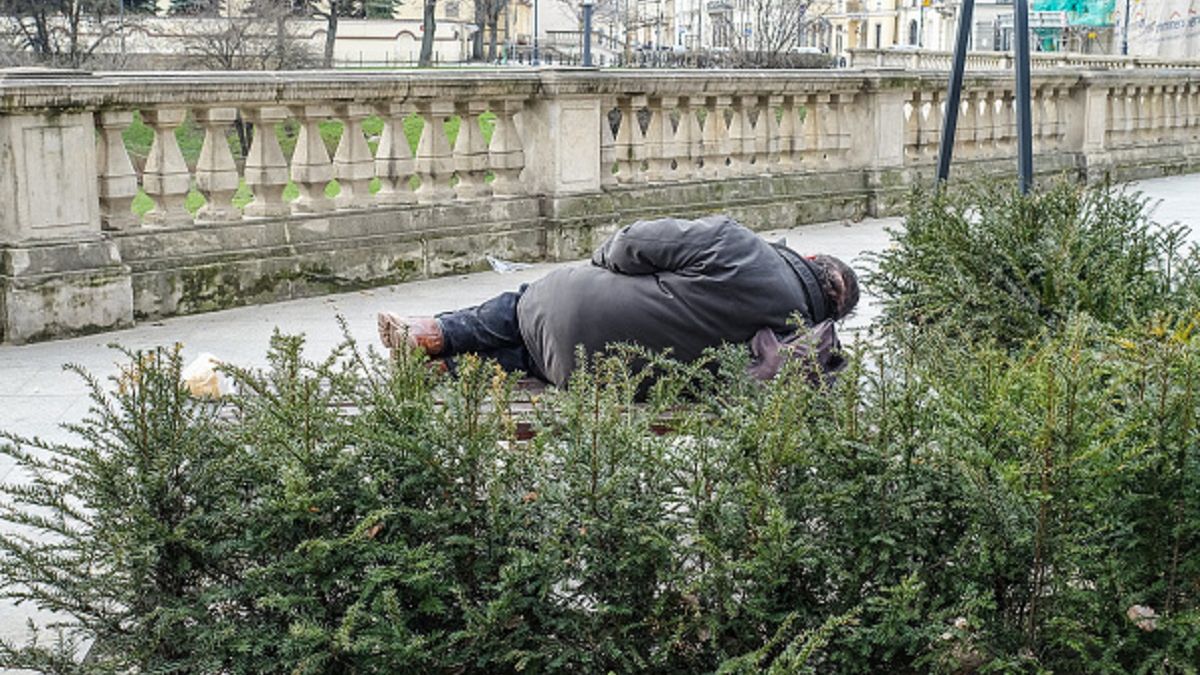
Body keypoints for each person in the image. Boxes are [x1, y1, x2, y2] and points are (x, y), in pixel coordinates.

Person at [378, 215, 859, 387]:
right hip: (595, 377)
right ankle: (449, 370)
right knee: (530, 358)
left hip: (566, 305)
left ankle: (434, 333)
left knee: (524, 307)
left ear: (810, 257)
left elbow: (632, 243)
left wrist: (600, 267)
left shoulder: (740, 244)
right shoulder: (799, 345)